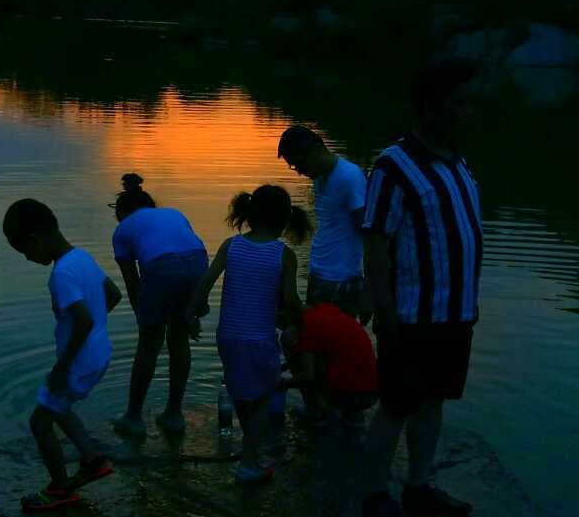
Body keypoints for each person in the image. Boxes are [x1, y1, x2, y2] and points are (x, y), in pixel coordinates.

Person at [360, 59, 483, 517]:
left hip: (456, 314)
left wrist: (470, 303)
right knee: (396, 405)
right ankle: (374, 497)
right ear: (432, 107)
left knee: (435, 401)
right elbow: (375, 243)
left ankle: (418, 485)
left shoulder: (458, 162)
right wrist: (384, 313)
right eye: (459, 104)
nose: (468, 113)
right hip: (411, 317)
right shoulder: (393, 166)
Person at [2, 197, 122, 512]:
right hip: (99, 354)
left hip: (78, 361)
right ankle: (92, 460)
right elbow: (113, 294)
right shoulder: (82, 258)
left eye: (25, 252)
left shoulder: (61, 275)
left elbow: (82, 320)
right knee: (60, 408)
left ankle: (59, 489)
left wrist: (63, 365)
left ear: (35, 240)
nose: (28, 259)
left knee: (39, 423)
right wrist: (96, 332)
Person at [186, 185, 307, 485]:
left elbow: (206, 281)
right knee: (264, 398)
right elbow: (290, 299)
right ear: (284, 219)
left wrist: (191, 314)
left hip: (228, 336)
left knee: (241, 393)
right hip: (259, 339)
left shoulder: (232, 246)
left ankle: (249, 451)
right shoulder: (284, 254)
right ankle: (248, 463)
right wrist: (304, 322)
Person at [109, 172, 209, 439]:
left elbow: (133, 282)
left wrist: (143, 318)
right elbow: (188, 250)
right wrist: (194, 310)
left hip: (161, 266)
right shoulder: (173, 213)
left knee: (149, 344)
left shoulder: (122, 230)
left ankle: (133, 418)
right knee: (179, 339)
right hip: (199, 261)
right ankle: (174, 415)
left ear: (121, 212)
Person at [277, 126, 369, 321]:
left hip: (342, 279)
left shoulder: (349, 177)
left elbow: (368, 231)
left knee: (336, 345)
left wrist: (368, 289)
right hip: (319, 273)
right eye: (295, 167)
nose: (300, 172)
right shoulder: (320, 179)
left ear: (315, 150)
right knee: (312, 342)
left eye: (299, 164)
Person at [280, 302, 378, 427]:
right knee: (336, 361)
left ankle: (315, 413)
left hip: (347, 395)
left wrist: (283, 384)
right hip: (372, 393)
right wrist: (285, 366)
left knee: (306, 369)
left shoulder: (307, 326)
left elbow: (308, 376)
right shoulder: (326, 311)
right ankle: (354, 417)